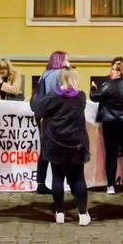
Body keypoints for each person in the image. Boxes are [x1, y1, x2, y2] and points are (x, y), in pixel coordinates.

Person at [31, 66, 92, 225]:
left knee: (57, 177)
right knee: (79, 178)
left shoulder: (52, 96)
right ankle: (82, 214)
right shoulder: (81, 97)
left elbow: (39, 111)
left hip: (55, 141)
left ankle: (59, 213)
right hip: (76, 143)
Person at [90, 58, 123, 195]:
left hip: (110, 122)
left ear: (117, 70)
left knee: (111, 155)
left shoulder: (107, 83)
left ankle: (110, 185)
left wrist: (93, 87)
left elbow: (94, 96)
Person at [32, 51, 70, 194]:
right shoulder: (61, 75)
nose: (68, 63)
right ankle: (60, 181)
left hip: (43, 115)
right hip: (55, 116)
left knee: (44, 149)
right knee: (57, 150)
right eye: (67, 60)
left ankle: (40, 182)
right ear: (60, 61)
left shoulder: (45, 74)